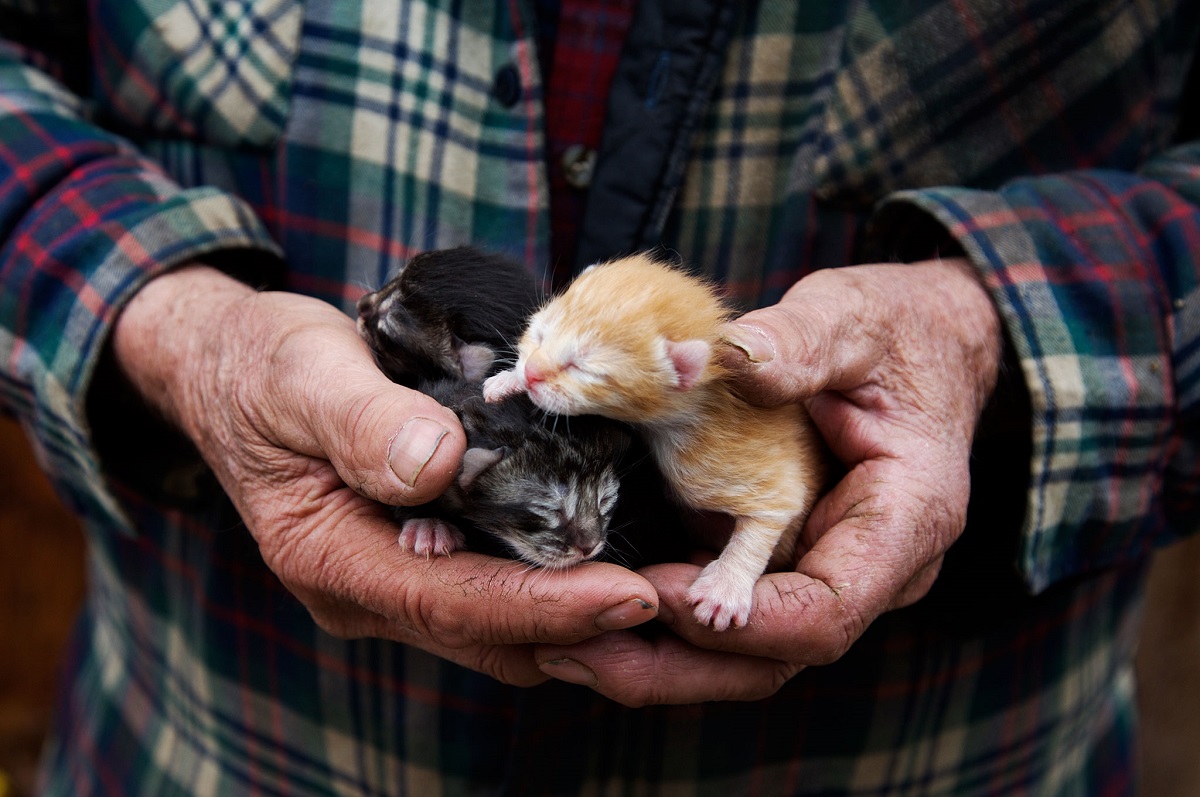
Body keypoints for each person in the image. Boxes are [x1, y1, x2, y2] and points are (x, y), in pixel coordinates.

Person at [1, 0, 1197, 793]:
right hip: (217, 744)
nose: (527, 385)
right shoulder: (485, 385)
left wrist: (999, 336)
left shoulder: (692, 412)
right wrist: (173, 326)